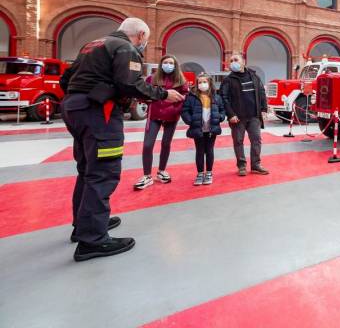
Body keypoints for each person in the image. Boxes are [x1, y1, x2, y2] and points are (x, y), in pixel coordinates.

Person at [59, 17, 185, 262]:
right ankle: (92, 240)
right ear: (140, 34)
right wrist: (162, 94)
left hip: (74, 108)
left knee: (87, 169)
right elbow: (130, 84)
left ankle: (84, 225)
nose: (144, 44)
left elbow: (66, 80)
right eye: (145, 39)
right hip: (99, 113)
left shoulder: (92, 45)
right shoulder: (125, 48)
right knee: (103, 171)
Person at [134, 55, 189, 190]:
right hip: (154, 116)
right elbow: (143, 93)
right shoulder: (151, 78)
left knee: (166, 144)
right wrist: (151, 101)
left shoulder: (181, 80)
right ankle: (147, 175)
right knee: (148, 145)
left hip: (172, 116)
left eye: (171, 63)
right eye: (165, 62)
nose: (168, 65)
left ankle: (161, 171)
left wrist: (176, 107)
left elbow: (185, 97)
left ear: (175, 65)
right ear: (160, 64)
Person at [220, 53, 269, 176]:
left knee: (256, 140)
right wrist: (230, 114)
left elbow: (262, 92)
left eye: (236, 60)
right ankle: (241, 166)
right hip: (237, 117)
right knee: (238, 141)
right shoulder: (228, 80)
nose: (233, 62)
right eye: (231, 61)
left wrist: (263, 109)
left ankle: (256, 165)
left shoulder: (254, 76)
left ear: (243, 62)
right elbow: (224, 98)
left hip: (254, 116)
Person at [181, 74, 225, 185]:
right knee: (199, 151)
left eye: (204, 82)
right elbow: (185, 111)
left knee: (209, 150)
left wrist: (220, 117)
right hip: (197, 128)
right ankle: (200, 173)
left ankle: (209, 172)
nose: (202, 84)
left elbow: (222, 110)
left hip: (212, 128)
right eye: (199, 82)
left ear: (209, 83)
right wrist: (190, 121)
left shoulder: (216, 97)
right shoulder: (191, 97)